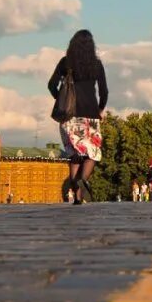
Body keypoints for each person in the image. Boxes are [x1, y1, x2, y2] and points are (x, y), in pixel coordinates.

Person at [47, 29, 109, 205]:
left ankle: (76, 193)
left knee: (74, 154)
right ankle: (82, 180)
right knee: (92, 153)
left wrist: (61, 100)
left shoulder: (66, 63)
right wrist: (100, 108)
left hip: (69, 116)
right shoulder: (96, 64)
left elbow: (51, 85)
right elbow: (104, 92)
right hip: (91, 115)